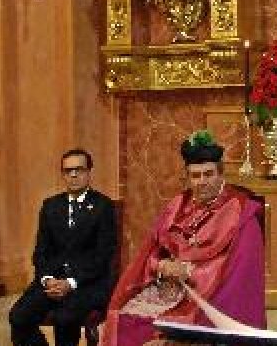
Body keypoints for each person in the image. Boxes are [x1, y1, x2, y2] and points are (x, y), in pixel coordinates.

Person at [102, 131, 265, 346]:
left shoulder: (241, 211)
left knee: (171, 325)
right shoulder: (177, 205)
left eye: (208, 174)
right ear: (187, 178)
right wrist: (161, 266)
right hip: (169, 288)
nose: (202, 182)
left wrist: (190, 272)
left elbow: (240, 272)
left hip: (211, 294)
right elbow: (151, 251)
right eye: (195, 176)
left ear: (221, 174)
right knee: (123, 316)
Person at [10, 148, 118, 346]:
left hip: (86, 283)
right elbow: (41, 251)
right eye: (68, 171)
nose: (73, 175)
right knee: (18, 316)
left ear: (89, 172)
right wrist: (48, 279)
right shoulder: (50, 206)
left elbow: (103, 256)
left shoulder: (104, 207)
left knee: (64, 320)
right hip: (51, 281)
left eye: (79, 169)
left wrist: (70, 282)